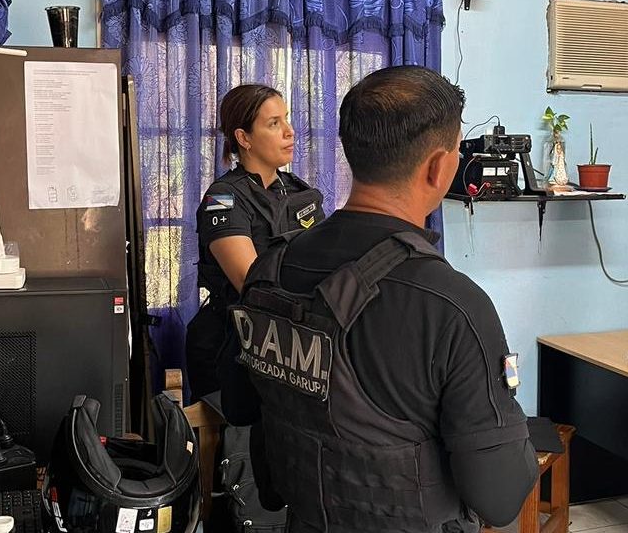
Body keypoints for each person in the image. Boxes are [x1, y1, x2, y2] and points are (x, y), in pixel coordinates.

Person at [219, 65, 538, 533]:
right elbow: (501, 497)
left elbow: (241, 408)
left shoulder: (271, 270)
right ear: (438, 167)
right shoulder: (453, 307)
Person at [186, 84, 325, 399]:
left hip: (292, 346)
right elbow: (251, 284)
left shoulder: (299, 192)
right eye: (274, 123)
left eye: (286, 118)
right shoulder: (222, 198)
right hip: (233, 346)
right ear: (244, 138)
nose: (289, 131)